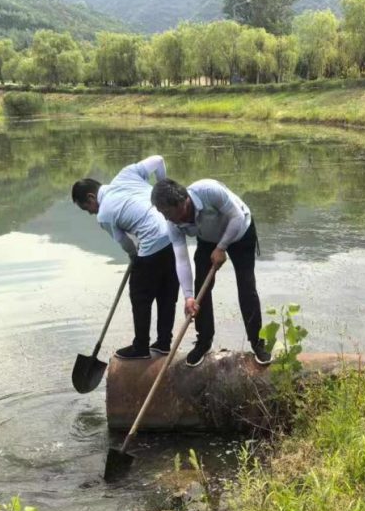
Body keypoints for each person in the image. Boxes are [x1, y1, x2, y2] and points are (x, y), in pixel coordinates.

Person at [151, 177, 271, 367]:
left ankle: (257, 342)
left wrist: (222, 247)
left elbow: (236, 217)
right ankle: (204, 341)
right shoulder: (173, 224)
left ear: (182, 203)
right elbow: (181, 258)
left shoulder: (208, 191)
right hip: (208, 238)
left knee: (246, 286)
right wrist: (188, 297)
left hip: (240, 230)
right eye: (161, 213)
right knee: (201, 289)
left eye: (167, 212)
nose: (166, 218)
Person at [71, 156, 179, 360]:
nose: (90, 214)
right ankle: (164, 343)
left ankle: (141, 348)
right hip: (173, 234)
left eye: (87, 209)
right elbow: (159, 160)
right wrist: (164, 188)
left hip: (152, 242)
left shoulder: (104, 214)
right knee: (167, 293)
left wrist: (135, 257)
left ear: (92, 198)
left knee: (140, 295)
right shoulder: (126, 174)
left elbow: (126, 243)